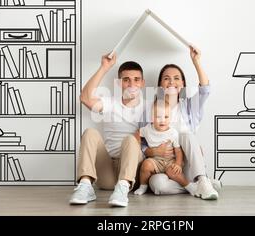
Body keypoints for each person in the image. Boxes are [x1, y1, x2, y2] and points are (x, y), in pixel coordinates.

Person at [142, 46, 220, 200]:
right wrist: (154, 152)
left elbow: (205, 90)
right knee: (157, 185)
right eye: (166, 78)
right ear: (160, 85)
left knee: (185, 134)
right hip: (164, 167)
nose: (171, 81)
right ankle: (195, 186)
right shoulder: (151, 110)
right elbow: (142, 143)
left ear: (183, 84)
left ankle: (202, 180)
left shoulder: (191, 106)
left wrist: (196, 61)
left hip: (189, 165)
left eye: (176, 78)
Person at [69, 53, 144, 207]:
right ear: (118, 83)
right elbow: (85, 98)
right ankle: (85, 185)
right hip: (107, 174)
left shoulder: (149, 106)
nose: (131, 84)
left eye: (136, 80)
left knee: (131, 139)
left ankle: (123, 187)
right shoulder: (110, 103)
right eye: (126, 80)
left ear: (142, 83)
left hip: (133, 173)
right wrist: (104, 67)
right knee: (90, 132)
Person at [133, 100, 197, 196]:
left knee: (174, 171)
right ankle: (143, 186)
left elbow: (178, 150)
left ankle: (188, 186)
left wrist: (178, 164)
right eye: (158, 117)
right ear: (152, 118)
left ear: (170, 118)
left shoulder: (173, 133)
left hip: (169, 161)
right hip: (155, 160)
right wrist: (137, 143)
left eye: (166, 117)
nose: (162, 120)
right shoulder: (147, 129)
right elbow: (137, 133)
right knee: (146, 165)